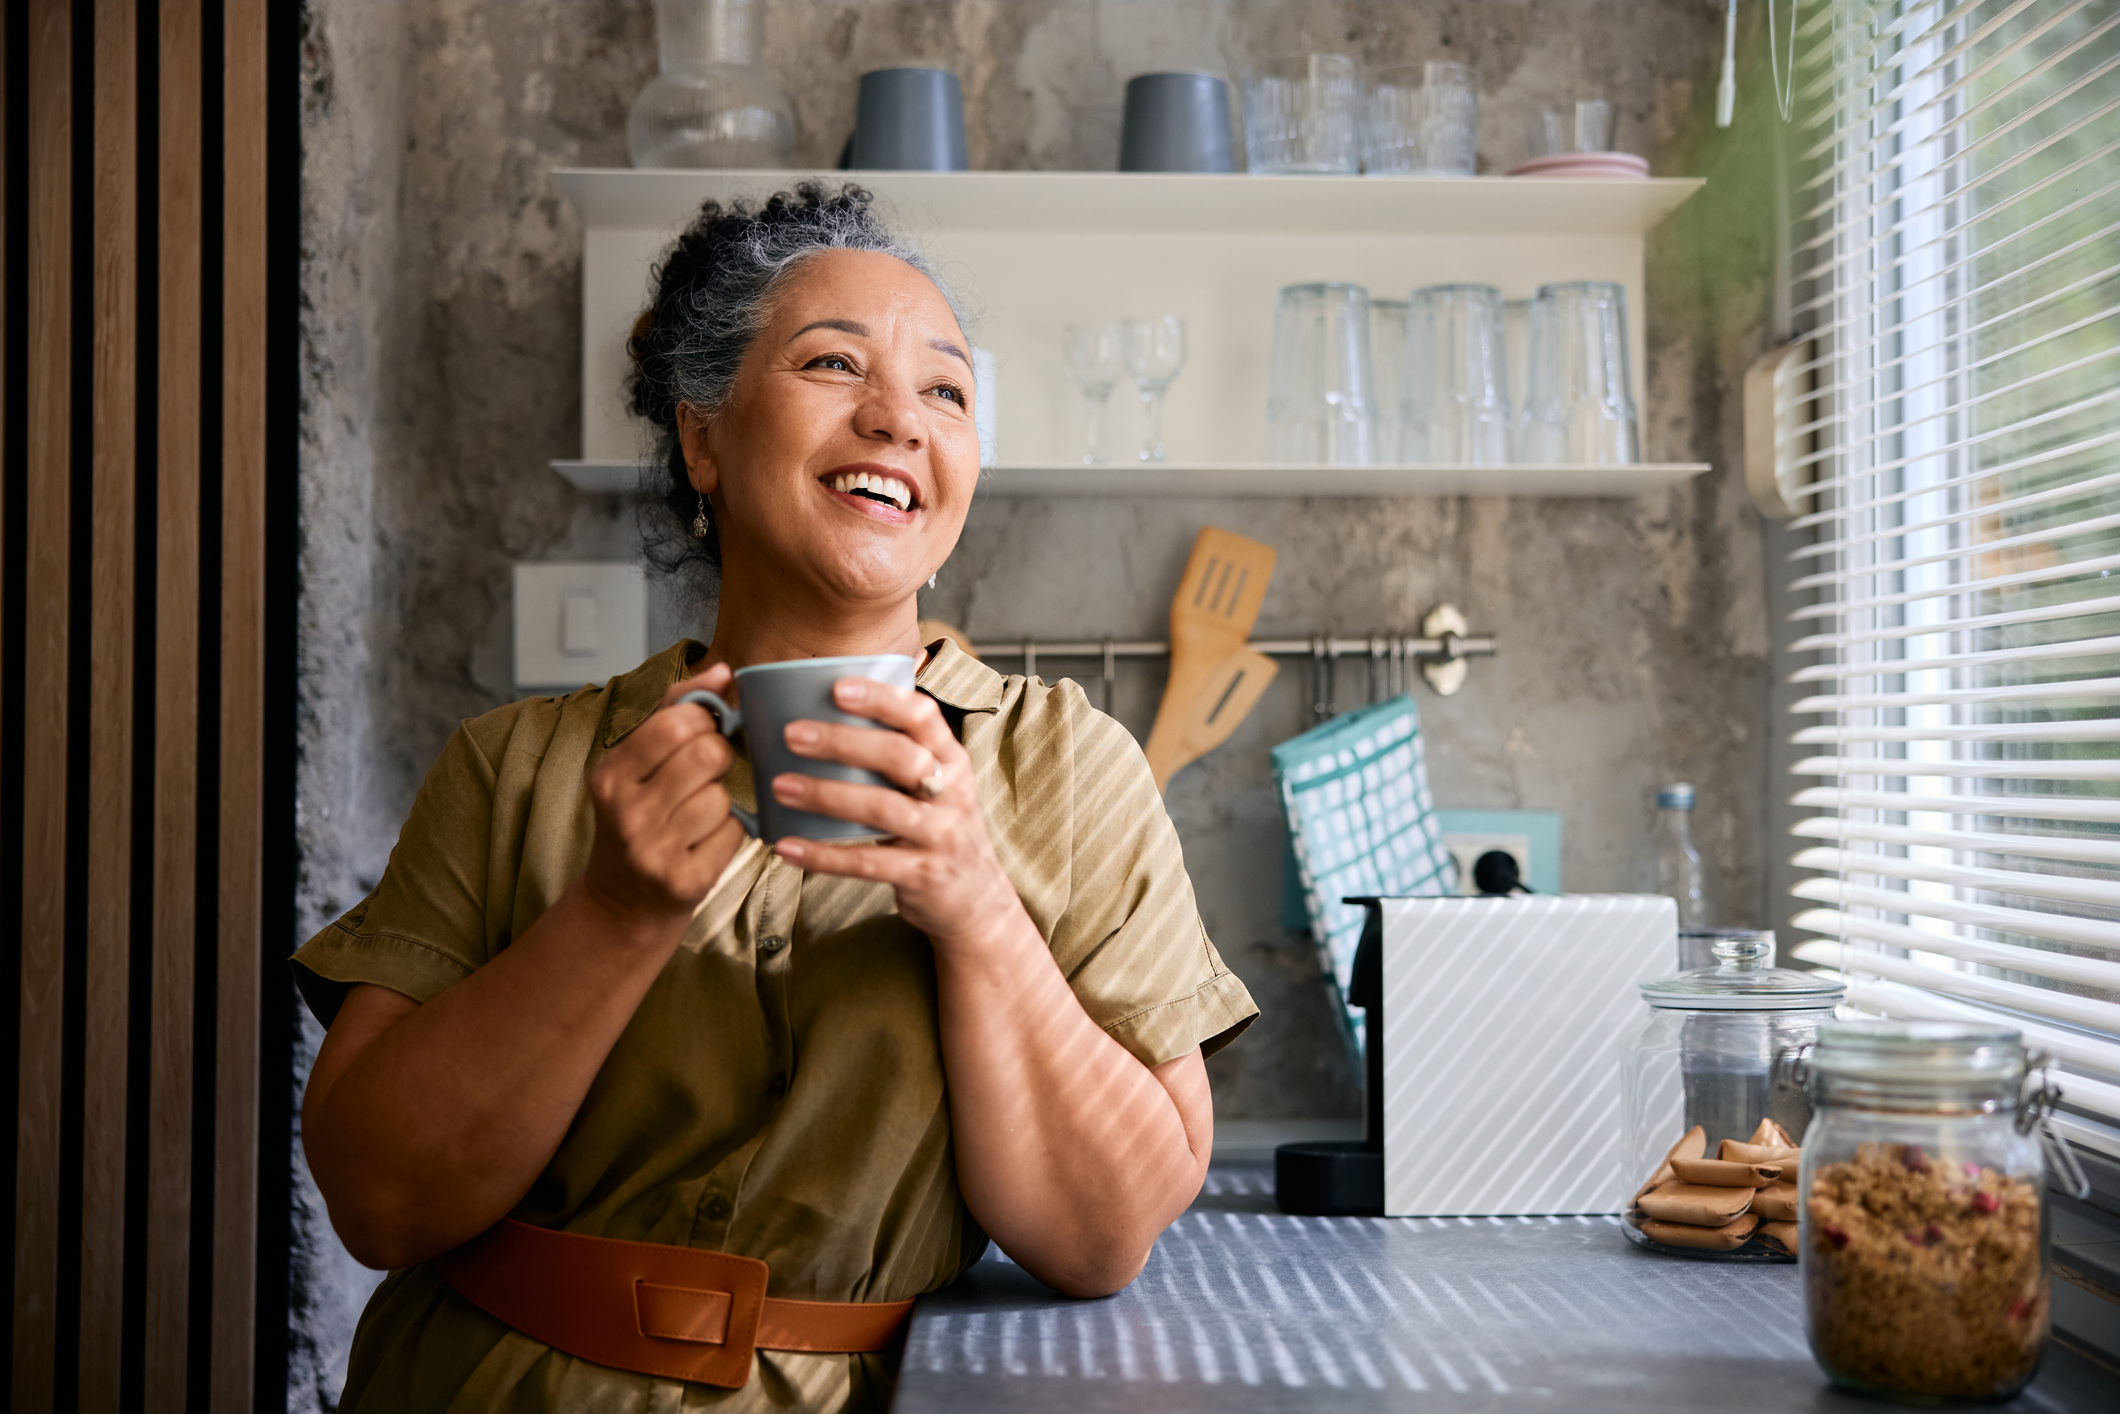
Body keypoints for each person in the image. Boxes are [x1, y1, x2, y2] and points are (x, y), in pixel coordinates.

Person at [294, 183, 1257, 1413]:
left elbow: (1104, 1234)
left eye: (947, 391)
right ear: (703, 438)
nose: (897, 419)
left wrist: (976, 909)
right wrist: (613, 911)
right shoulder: (514, 767)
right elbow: (380, 1199)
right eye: (831, 362)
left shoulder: (1068, 768)